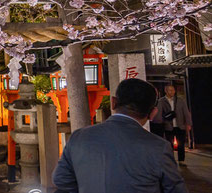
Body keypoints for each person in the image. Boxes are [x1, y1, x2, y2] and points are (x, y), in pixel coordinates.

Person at [53, 78, 186, 193]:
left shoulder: (79, 137)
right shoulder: (159, 147)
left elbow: (62, 181)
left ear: (113, 102)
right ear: (152, 113)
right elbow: (175, 189)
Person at [158, 84, 192, 166]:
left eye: (173, 90)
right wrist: (161, 122)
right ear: (166, 91)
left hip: (180, 125)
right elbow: (159, 113)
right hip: (168, 126)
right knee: (169, 145)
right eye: (170, 90)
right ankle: (171, 161)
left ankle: (181, 160)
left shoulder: (180, 100)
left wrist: (188, 123)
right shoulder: (161, 101)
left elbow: (186, 113)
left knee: (181, 144)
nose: (172, 92)